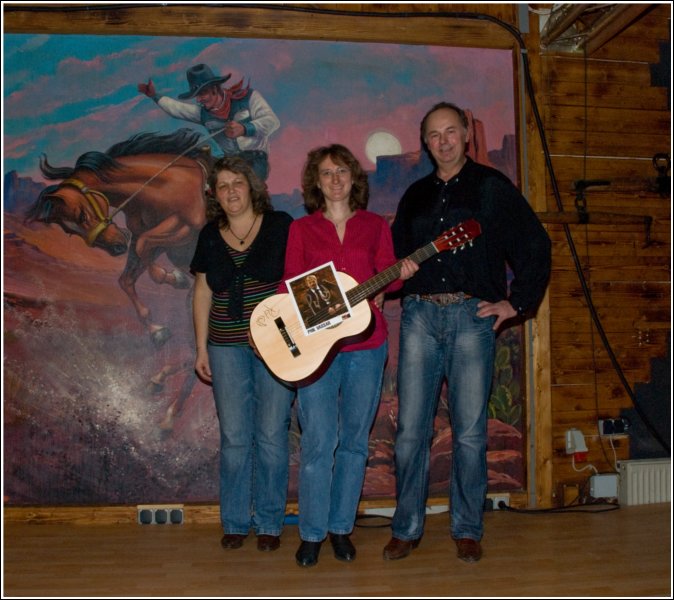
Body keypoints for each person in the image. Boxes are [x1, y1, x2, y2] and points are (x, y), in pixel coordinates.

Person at [385, 102, 551, 563]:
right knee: (410, 433)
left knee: (471, 434)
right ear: (425, 142)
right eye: (434, 134)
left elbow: (535, 244)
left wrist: (516, 304)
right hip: (418, 316)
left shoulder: (493, 188)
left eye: (451, 131)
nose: (443, 141)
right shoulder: (414, 195)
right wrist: (392, 278)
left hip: (470, 319)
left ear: (466, 136)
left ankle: (466, 528)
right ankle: (406, 528)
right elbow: (396, 258)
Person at [281, 144, 418, 568]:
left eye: (342, 170)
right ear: (315, 182)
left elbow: (387, 276)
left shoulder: (375, 225)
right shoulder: (302, 230)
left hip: (367, 345)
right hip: (318, 350)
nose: (335, 178)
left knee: (356, 443)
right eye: (326, 172)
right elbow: (289, 283)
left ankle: (341, 528)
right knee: (320, 441)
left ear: (353, 178)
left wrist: (398, 276)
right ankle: (311, 533)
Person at [190, 156, 294, 552]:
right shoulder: (209, 236)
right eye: (222, 185)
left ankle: (269, 522)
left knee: (271, 435)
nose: (231, 191)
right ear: (214, 194)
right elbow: (202, 291)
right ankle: (234, 520)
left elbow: (297, 279)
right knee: (235, 438)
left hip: (275, 347)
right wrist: (200, 346)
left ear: (251, 187)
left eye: (237, 183)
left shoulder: (281, 226)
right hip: (224, 347)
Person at [139, 63, 280, 181]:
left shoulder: (249, 98)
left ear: (215, 88)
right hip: (229, 162)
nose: (199, 99)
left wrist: (244, 128)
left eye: (202, 93)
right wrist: (154, 96)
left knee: (240, 183)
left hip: (255, 161)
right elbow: (176, 109)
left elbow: (272, 121)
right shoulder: (202, 113)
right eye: (197, 96)